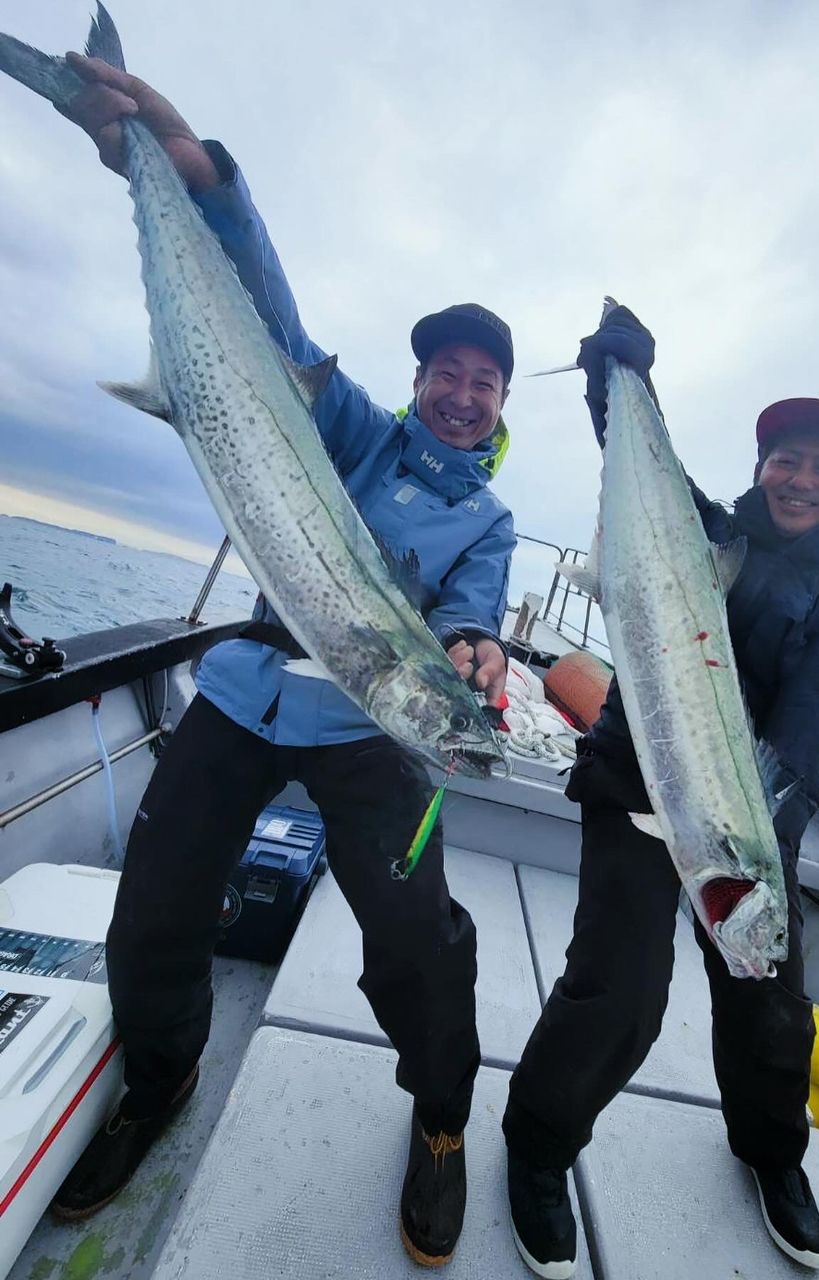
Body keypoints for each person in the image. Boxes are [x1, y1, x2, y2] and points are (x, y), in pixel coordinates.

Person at [51, 53, 516, 1268]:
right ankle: (160, 1080)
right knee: (154, 905)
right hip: (248, 694)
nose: (461, 393)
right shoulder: (356, 429)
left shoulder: (489, 521)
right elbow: (275, 321)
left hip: (376, 725)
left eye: (483, 381)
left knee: (418, 941)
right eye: (445, 373)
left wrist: (473, 651)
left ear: (501, 405)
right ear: (420, 383)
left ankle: (441, 1117)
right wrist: (196, 166)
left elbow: (475, 617)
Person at [502, 307, 819, 1277]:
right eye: (785, 458)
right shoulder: (704, 533)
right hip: (634, 779)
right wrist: (619, 384)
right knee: (618, 991)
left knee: (770, 1009)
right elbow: (645, 479)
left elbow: (802, 746)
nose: (800, 479)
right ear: (761, 469)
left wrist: (735, 856)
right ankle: (537, 1147)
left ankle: (770, 1155)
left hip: (749, 820)